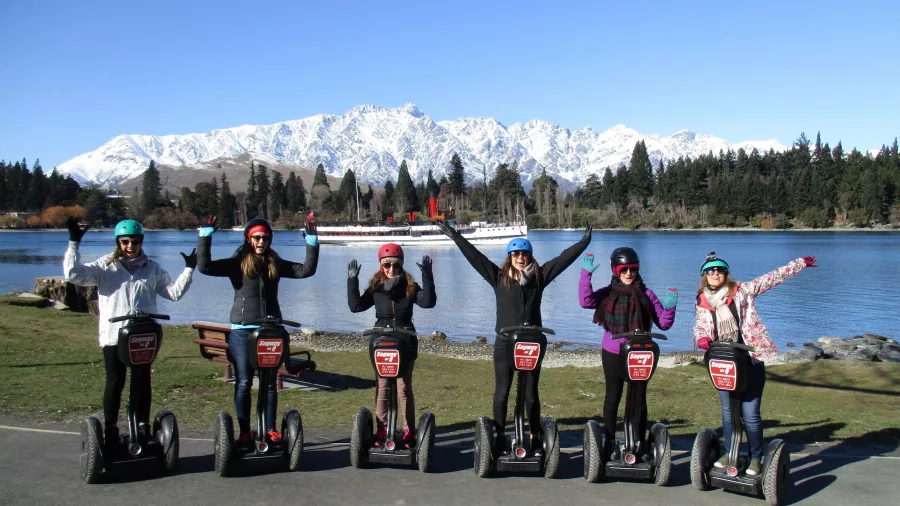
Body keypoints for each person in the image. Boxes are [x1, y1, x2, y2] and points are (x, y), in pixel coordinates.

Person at [437, 220, 592, 454]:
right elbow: (475, 257)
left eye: (524, 254)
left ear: (530, 256)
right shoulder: (499, 277)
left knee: (531, 392)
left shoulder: (539, 278)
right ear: (510, 256)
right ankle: (499, 435)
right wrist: (455, 236)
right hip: (504, 342)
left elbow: (562, 260)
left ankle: (534, 435)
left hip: (532, 342)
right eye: (516, 254)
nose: (520, 257)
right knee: (503, 390)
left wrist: (583, 242)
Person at [63, 217, 196, 447]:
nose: (130, 246)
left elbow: (173, 293)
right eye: (125, 242)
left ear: (141, 242)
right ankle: (111, 429)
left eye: (134, 242)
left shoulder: (152, 268)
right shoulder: (104, 267)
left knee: (142, 381)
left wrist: (188, 269)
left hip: (142, 336)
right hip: (114, 334)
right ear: (118, 242)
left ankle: (142, 425)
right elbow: (73, 275)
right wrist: (74, 243)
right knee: (115, 380)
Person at [197, 216, 319, 445]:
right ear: (248, 238)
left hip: (270, 331)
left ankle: (270, 429)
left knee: (269, 382)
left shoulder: (275, 262)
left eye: (265, 237)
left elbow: (306, 271)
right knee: (244, 381)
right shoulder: (238, 262)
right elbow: (205, 267)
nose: (261, 241)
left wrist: (312, 241)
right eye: (256, 237)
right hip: (243, 330)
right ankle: (244, 431)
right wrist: (204, 237)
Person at [694, 251, 817, 476]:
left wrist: (799, 264)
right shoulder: (702, 300)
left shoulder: (743, 291)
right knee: (729, 411)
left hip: (750, 359)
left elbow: (772, 278)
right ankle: (731, 453)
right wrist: (702, 339)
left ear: (726, 273)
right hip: (724, 361)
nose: (715, 273)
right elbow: (700, 327)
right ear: (704, 275)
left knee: (750, 414)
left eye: (719, 270)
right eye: (710, 271)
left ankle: (756, 457)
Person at [578, 247, 677, 459]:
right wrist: (586, 275)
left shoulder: (647, 294)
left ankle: (638, 442)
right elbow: (585, 301)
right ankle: (610, 440)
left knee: (639, 398)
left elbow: (664, 324)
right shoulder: (608, 292)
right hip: (613, 351)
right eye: (624, 270)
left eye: (632, 269)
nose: (629, 274)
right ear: (616, 270)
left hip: (640, 353)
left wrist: (669, 308)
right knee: (613, 395)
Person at [347, 243, 436, 448]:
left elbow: (428, 302)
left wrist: (428, 277)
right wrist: (352, 281)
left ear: (401, 265)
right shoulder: (376, 287)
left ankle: (408, 431)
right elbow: (356, 306)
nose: (391, 269)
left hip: (405, 340)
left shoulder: (410, 286)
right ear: (381, 265)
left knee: (404, 387)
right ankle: (382, 429)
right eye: (386, 265)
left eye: (395, 265)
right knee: (383, 386)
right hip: (381, 342)